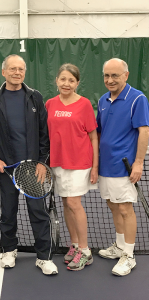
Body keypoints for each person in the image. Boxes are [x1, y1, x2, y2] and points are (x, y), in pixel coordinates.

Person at [0, 54, 58, 275]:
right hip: (6, 169)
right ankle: (8, 249)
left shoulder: (35, 97)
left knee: (38, 212)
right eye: (12, 69)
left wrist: (43, 162)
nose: (17, 72)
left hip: (33, 169)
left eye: (21, 69)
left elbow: (45, 134)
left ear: (25, 72)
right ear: (3, 72)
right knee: (8, 212)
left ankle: (44, 257)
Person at [97, 58, 149, 276]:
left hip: (125, 166)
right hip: (104, 165)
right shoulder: (102, 100)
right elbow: (99, 132)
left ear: (126, 76)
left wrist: (138, 162)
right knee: (113, 206)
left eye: (115, 75)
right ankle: (119, 247)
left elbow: (144, 131)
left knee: (126, 209)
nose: (110, 80)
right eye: (106, 76)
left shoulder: (137, 98)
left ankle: (129, 255)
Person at [45, 63, 98, 271]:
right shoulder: (49, 104)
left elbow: (93, 137)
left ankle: (85, 251)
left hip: (79, 162)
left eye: (71, 80)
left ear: (77, 83)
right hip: (58, 162)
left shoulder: (84, 105)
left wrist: (95, 167)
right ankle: (75, 244)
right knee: (66, 203)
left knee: (74, 203)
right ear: (56, 81)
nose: (66, 83)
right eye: (63, 79)